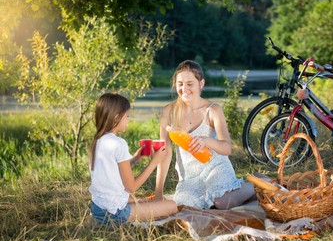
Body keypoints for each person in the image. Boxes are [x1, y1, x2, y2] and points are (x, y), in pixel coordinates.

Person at [155, 60, 256, 209]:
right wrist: (158, 192)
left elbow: (227, 148)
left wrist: (206, 140)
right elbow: (165, 153)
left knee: (221, 202)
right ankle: (244, 190)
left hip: (216, 167)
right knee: (185, 206)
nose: (184, 89)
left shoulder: (213, 110)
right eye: (180, 84)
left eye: (190, 84)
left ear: (201, 84)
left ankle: (256, 185)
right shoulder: (168, 112)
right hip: (190, 176)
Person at [89, 93, 178, 225]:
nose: (128, 120)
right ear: (116, 118)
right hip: (116, 213)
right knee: (172, 206)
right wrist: (155, 162)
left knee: (144, 200)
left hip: (97, 208)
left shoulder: (98, 140)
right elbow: (131, 187)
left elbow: (113, 170)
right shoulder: (119, 143)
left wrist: (135, 158)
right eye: (127, 116)